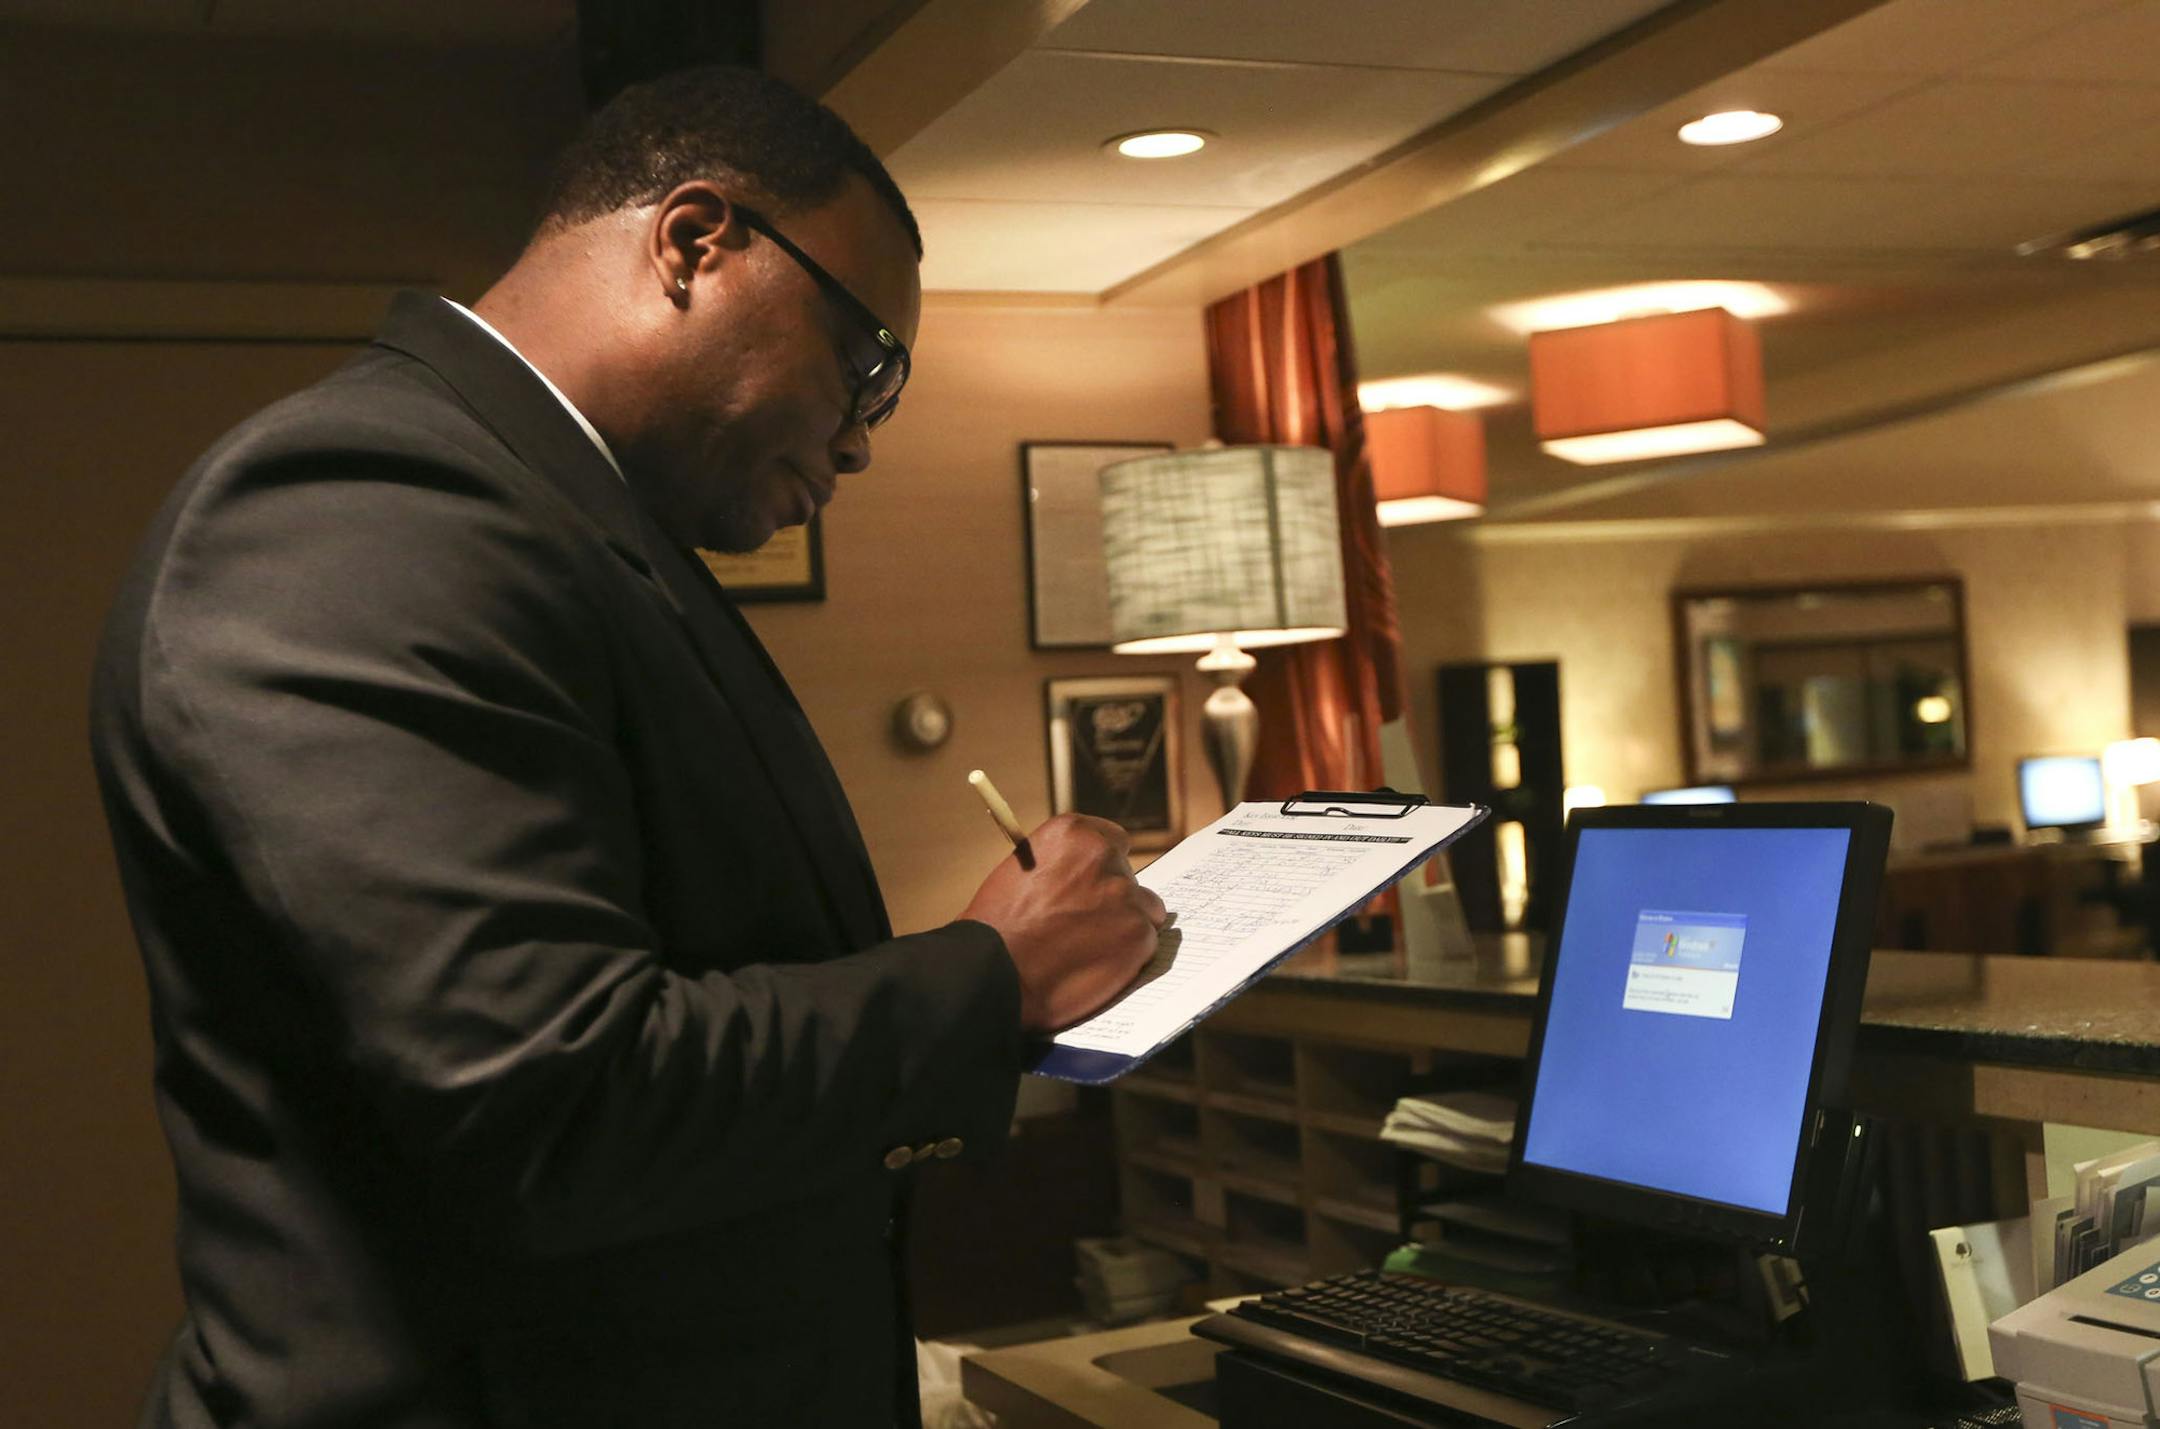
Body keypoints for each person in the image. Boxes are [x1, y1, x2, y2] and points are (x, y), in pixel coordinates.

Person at [89, 66, 1165, 1428]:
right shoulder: (357, 507)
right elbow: (560, 1096)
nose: (861, 441)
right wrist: (988, 980)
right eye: (868, 365)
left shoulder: (568, 520)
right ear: (695, 242)